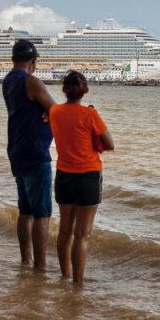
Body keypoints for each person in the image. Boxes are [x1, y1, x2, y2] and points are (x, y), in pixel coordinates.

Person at [48, 71, 114, 287]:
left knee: (65, 231)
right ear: (84, 90)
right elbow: (110, 144)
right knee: (82, 235)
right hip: (88, 176)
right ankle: (78, 285)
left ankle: (65, 275)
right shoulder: (90, 114)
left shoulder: (54, 111)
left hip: (64, 175)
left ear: (64, 89)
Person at [2, 39, 55, 270]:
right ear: (33, 61)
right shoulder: (31, 81)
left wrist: (45, 111)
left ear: (14, 59)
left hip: (17, 150)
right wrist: (49, 112)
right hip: (35, 152)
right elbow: (57, 110)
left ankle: (26, 260)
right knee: (42, 214)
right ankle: (40, 268)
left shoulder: (8, 80)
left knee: (25, 211)